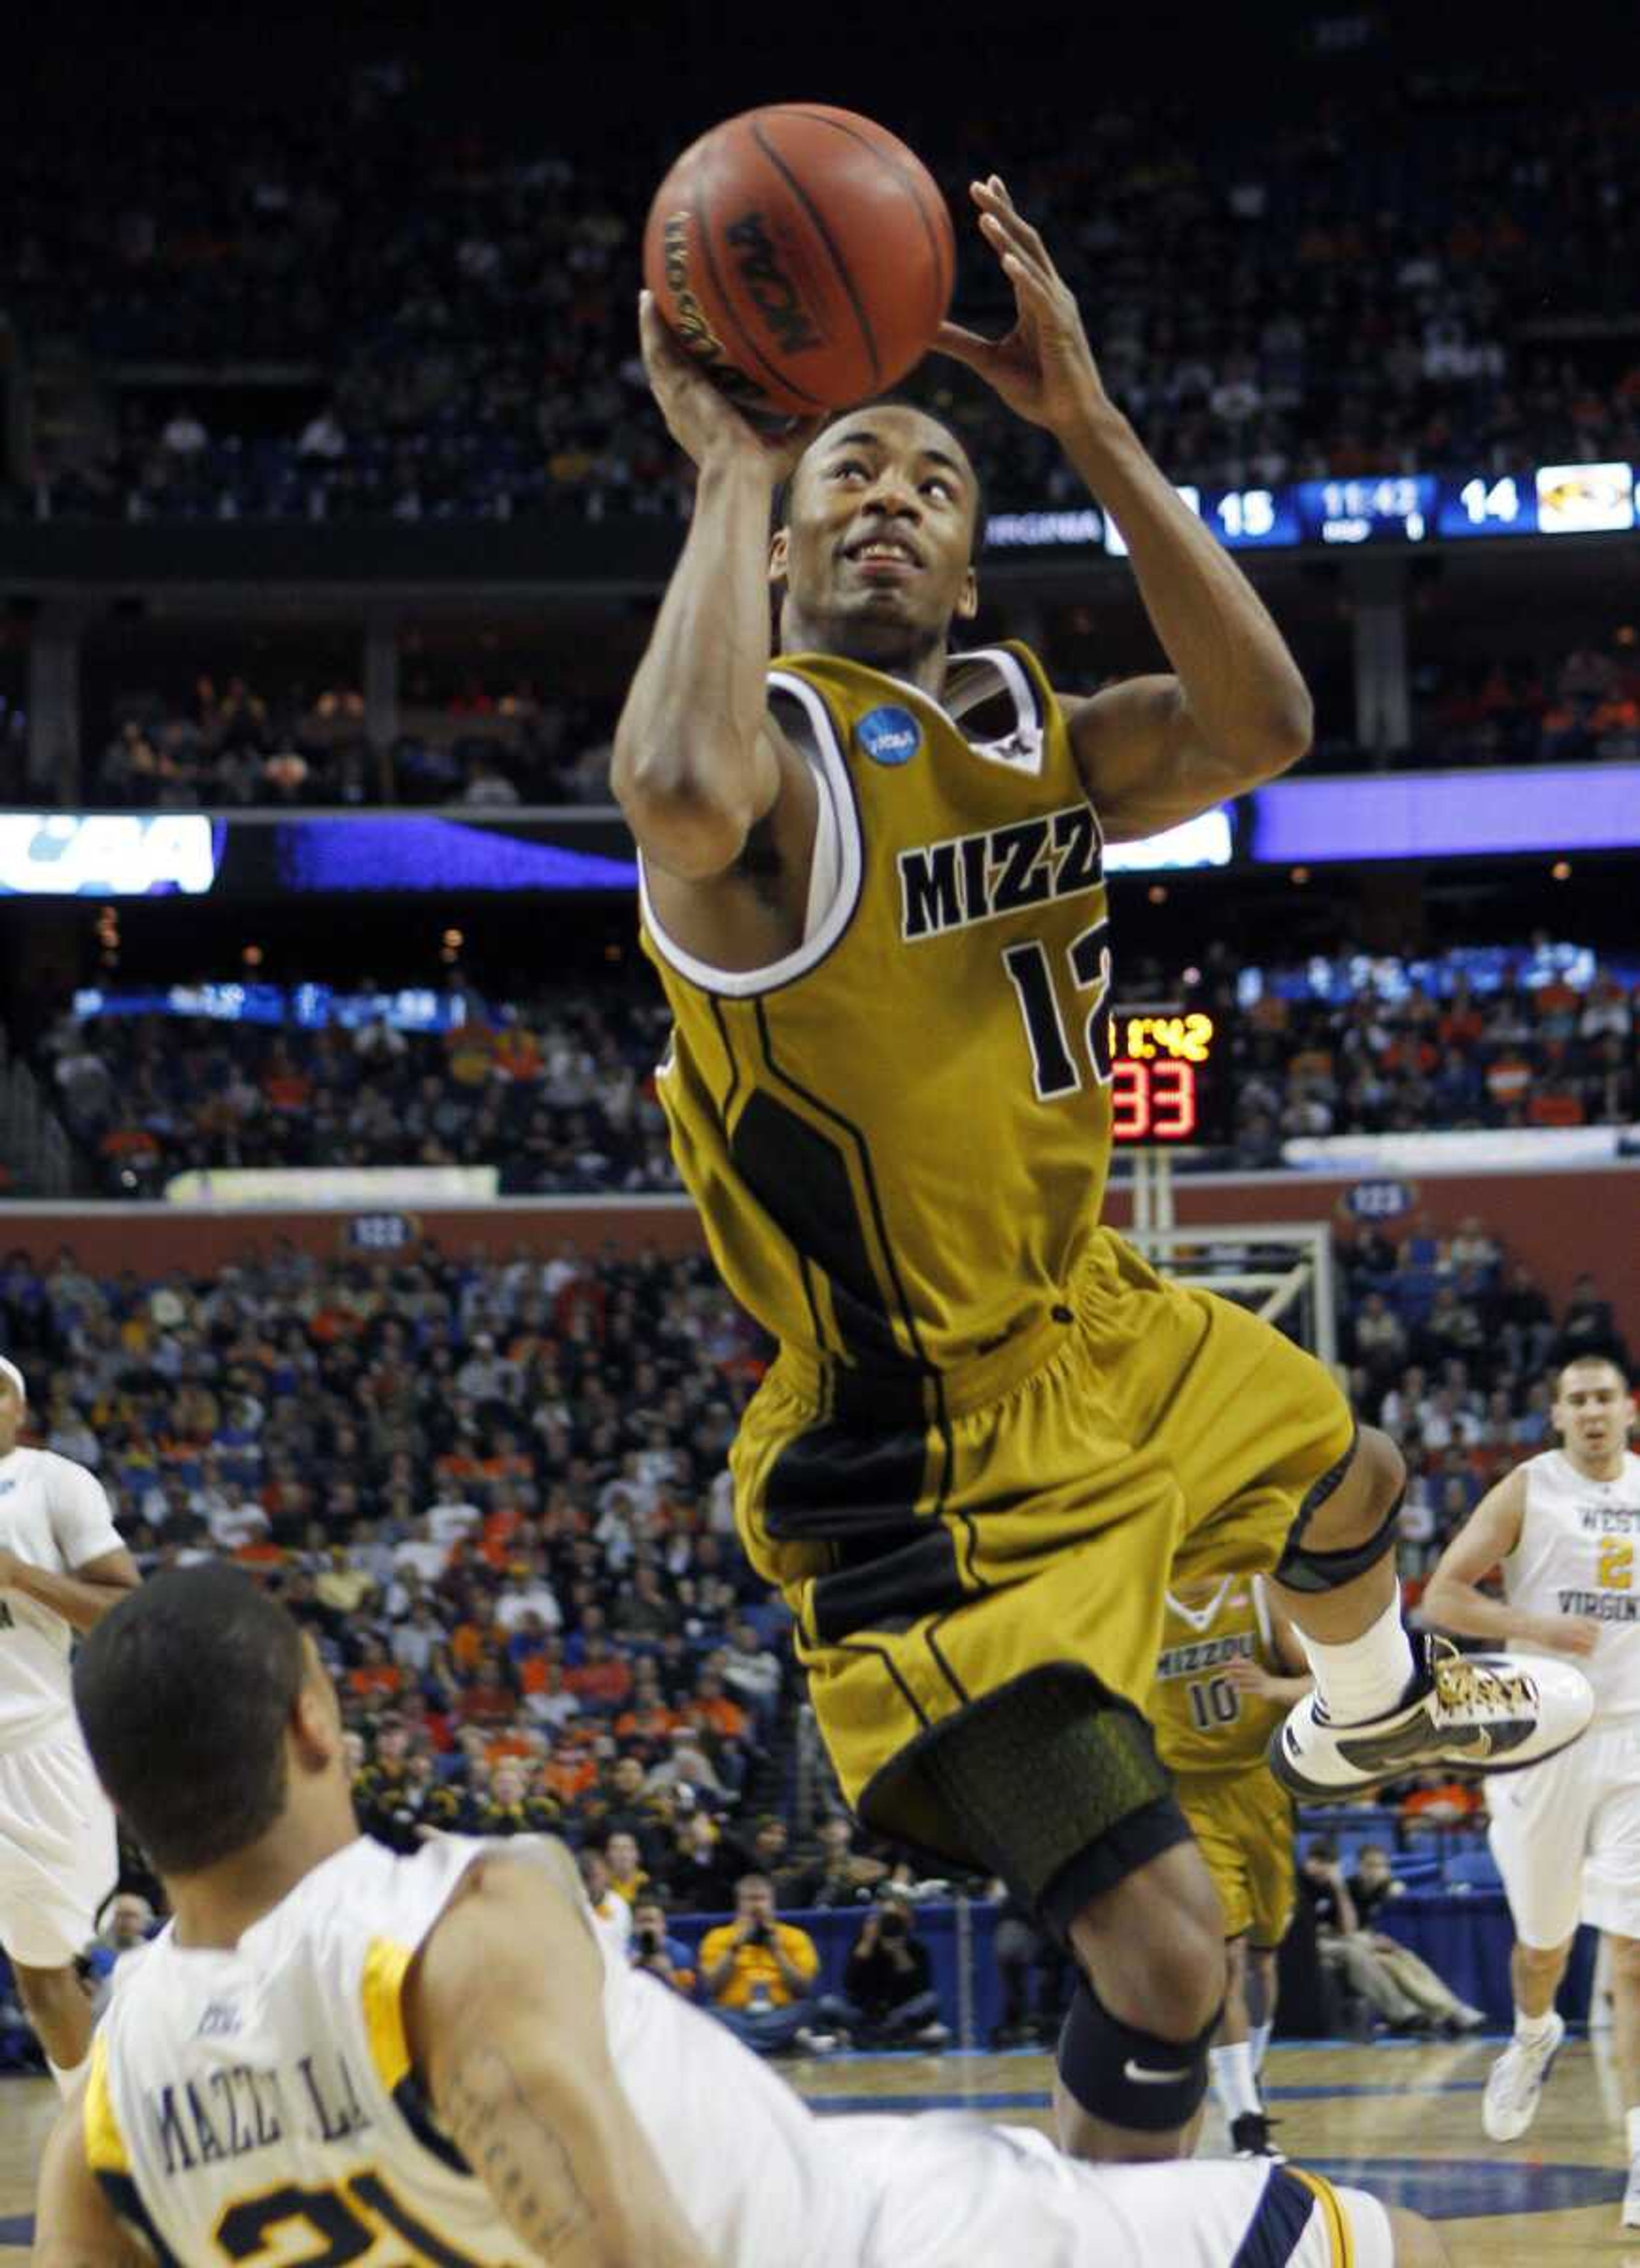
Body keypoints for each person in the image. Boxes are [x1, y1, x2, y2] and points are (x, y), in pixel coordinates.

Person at [613, 168, 1588, 2164]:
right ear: (789, 550)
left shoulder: (1028, 728)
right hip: (919, 1460)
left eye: (936, 484)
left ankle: (1371, 1693)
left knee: (1357, 1480)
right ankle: (1101, 2216)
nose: (890, 493)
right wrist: (729, 464)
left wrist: (1092, 430)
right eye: (848, 473)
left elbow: (1265, 720)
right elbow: (674, 789)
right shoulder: (768, 775)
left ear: (972, 569)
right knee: (1163, 1967)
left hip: (1104, 1331)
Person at [38, 1566, 1446, 2268]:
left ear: (110, 1786)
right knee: (1386, 2238)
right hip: (883, 2239)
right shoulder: (466, 1925)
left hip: (852, 2180)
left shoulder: (102, 2105)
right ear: (314, 1718)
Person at [1421, 1353, 1640, 2227]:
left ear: (1628, 1408)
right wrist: (1533, 1624)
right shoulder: (1526, 1486)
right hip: (1546, 1732)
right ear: (1556, 1415)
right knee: (1543, 1948)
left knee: (1632, 1953)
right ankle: (1534, 2028)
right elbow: (1441, 1596)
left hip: (1635, 1738)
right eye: (1576, 1399)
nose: (1592, 1411)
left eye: (1604, 1398)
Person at [0, 1354, 140, 2091]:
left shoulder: (52, 1483)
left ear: (17, 1408)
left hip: (34, 1746)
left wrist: (22, 1575)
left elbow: (128, 1610)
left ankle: (97, 2128)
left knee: (49, 1962)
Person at [1149, 1574, 1310, 2158]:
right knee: (1227, 1954)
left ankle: (1249, 2074)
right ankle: (1246, 2119)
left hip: (1261, 1784)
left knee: (1263, 1959)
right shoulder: (1140, 1597)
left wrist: (1270, 1685)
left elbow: (1324, 1682)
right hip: (1188, 1795)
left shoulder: (1260, 1591)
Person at [1297, 1840, 1480, 2039]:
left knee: (1396, 1956)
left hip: (1345, 1939)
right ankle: (1406, 2014)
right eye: (1317, 1861)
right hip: (1310, 1942)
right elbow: (1336, 1932)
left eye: (1329, 1862)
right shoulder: (1299, 1884)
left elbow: (1349, 1929)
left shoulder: (1334, 1885)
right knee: (1357, 1950)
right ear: (1308, 1861)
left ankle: (1451, 2009)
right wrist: (1365, 1939)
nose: (1322, 1867)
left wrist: (1339, 1890)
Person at [697, 1871, 831, 2057]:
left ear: (772, 1902)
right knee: (707, 2015)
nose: (757, 1906)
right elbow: (712, 1987)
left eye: (762, 1899)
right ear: (739, 1903)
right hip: (735, 2015)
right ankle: (785, 2042)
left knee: (810, 2009)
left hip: (781, 2013)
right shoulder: (718, 1937)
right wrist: (736, 1947)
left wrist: (778, 1952)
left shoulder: (795, 1936)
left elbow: (803, 1990)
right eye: (750, 1900)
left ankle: (745, 2045)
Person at [817, 1891, 950, 2048]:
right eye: (888, 1919)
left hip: (898, 2015)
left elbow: (920, 1992)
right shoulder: (864, 1945)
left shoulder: (918, 1950)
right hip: (864, 2014)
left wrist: (900, 1953)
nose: (892, 1924)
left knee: (931, 2001)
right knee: (827, 2004)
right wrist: (867, 1943)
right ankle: (892, 2038)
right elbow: (850, 1985)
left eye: (899, 1920)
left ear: (910, 1923)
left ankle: (870, 2038)